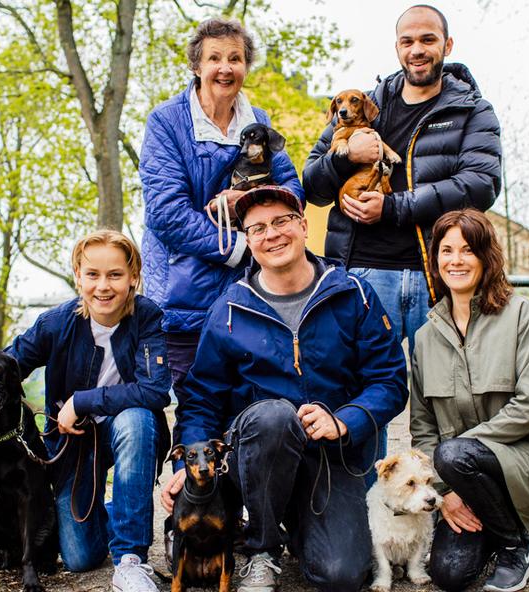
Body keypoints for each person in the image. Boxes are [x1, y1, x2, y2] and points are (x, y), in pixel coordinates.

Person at [161, 186, 407, 592]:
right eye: (257, 228)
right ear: (248, 240)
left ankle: (299, 525)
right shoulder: (229, 310)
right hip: (257, 456)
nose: (271, 234)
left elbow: (390, 379)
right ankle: (262, 550)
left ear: (303, 226)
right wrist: (183, 467)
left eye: (281, 221)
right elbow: (199, 398)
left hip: (330, 459)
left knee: (341, 575)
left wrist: (344, 420)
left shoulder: (353, 294)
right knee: (274, 415)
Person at [0, 230, 170, 592]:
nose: (103, 286)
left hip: (130, 431)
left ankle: (132, 559)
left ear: (134, 277)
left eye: (115, 275)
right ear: (78, 277)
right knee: (79, 557)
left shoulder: (147, 317)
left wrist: (81, 401)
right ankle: (117, 514)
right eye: (93, 275)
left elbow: (155, 389)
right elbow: (1, 367)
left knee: (136, 418)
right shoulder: (58, 321)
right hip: (74, 445)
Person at [302, 4, 502, 355]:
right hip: (364, 275)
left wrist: (393, 208)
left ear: (448, 45)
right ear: (397, 48)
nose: (417, 50)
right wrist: (347, 156)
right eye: (407, 41)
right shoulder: (364, 107)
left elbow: (481, 184)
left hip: (438, 277)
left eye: (428, 39)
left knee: (449, 393)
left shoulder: (473, 109)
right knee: (362, 393)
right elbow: (313, 187)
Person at [409, 209, 529, 592]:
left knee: (454, 453)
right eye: (446, 250)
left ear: (487, 257)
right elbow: (422, 426)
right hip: (463, 473)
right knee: (449, 575)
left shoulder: (524, 317)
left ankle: (517, 546)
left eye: (468, 250)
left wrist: (458, 453)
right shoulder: (424, 338)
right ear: (435, 260)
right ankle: (494, 528)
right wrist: (446, 493)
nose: (455, 260)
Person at [139, 17, 304, 407]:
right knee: (197, 414)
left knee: (246, 412)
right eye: (215, 58)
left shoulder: (257, 121)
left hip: (248, 295)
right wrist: (243, 247)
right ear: (197, 66)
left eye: (236, 58)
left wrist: (248, 197)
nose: (225, 68)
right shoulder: (167, 122)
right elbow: (166, 213)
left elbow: (292, 191)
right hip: (184, 297)